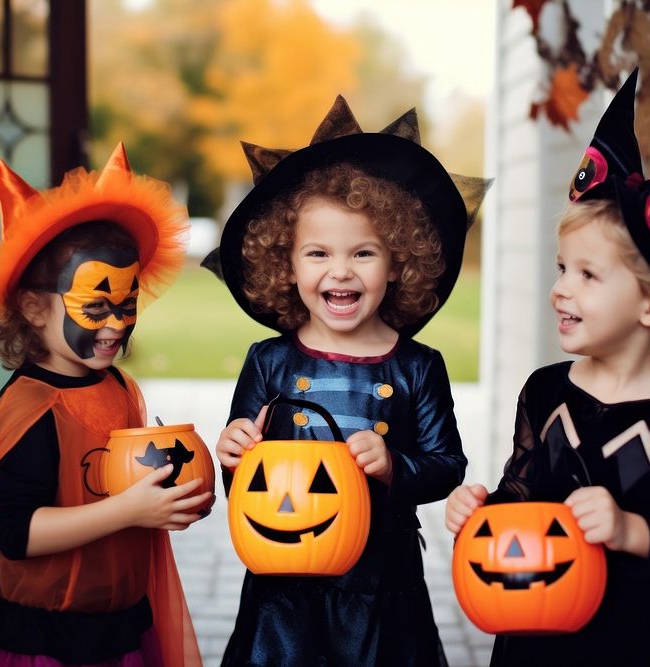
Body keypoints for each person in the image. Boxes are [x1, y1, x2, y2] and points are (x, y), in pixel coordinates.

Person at [445, 70, 650, 666]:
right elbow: (525, 490)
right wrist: (485, 508)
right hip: (543, 626)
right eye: (561, 268)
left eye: (587, 275)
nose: (560, 290)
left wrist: (630, 532)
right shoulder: (546, 392)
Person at [0, 144, 211, 667]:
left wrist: (168, 500)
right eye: (95, 306)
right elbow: (16, 534)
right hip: (44, 643)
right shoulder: (32, 407)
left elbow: (124, 481)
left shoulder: (119, 387)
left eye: (127, 306)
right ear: (35, 308)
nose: (117, 323)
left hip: (119, 628)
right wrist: (128, 510)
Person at [203, 96, 490, 666]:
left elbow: (445, 464)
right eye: (318, 253)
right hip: (284, 589)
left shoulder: (416, 366)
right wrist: (233, 456)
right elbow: (245, 485)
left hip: (382, 586)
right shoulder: (269, 362)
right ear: (284, 262)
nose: (340, 270)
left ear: (399, 261)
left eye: (363, 252)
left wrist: (393, 464)